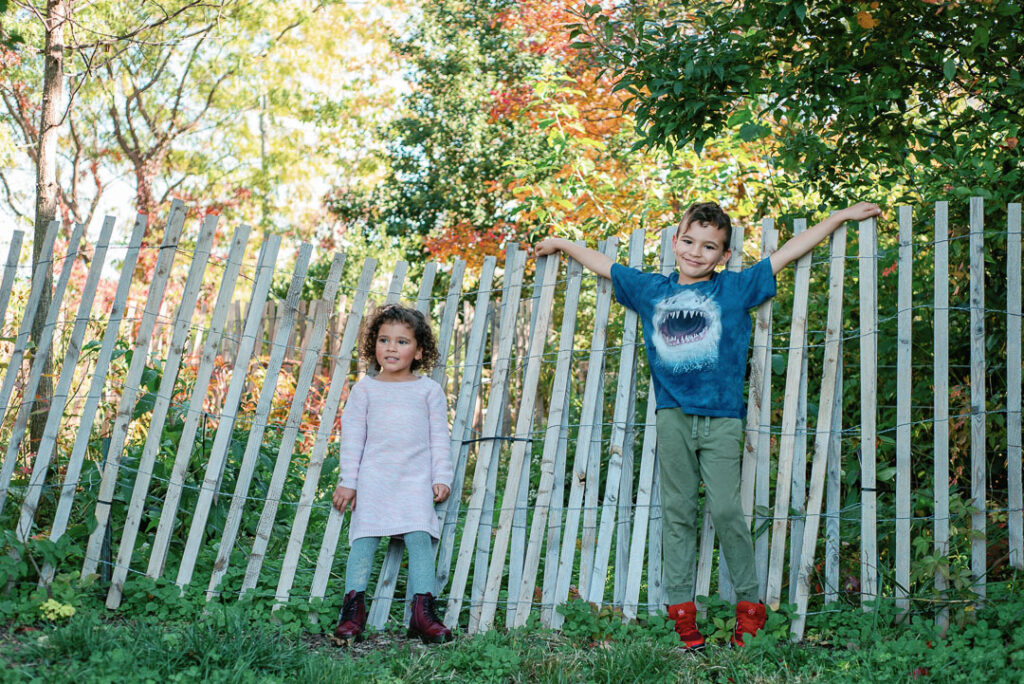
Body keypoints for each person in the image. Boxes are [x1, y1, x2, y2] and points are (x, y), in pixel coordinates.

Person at [535, 200, 881, 648]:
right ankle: (682, 615)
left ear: (724, 256)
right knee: (678, 512)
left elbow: (787, 253)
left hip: (722, 420)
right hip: (673, 416)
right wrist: (563, 242)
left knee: (725, 510)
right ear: (676, 241)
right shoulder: (651, 291)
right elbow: (607, 266)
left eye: (710, 246)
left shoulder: (733, 291)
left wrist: (836, 218)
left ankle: (751, 608)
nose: (696, 252)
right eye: (689, 241)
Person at [331, 303, 455, 645]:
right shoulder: (365, 390)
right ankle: (352, 613)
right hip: (374, 480)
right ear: (374, 345)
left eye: (402, 342)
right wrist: (349, 481)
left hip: (415, 480)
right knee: (363, 541)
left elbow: (439, 438)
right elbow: (353, 440)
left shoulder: (428, 390)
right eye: (384, 340)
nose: (391, 348)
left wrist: (441, 476)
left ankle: (423, 613)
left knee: (420, 540)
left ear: (418, 352)